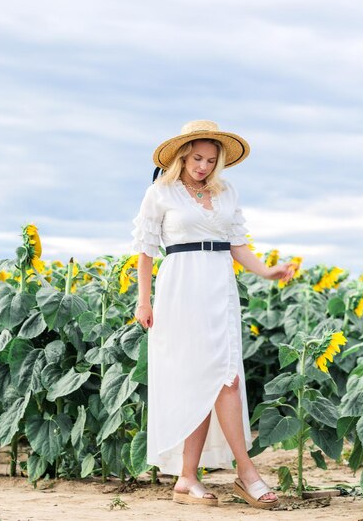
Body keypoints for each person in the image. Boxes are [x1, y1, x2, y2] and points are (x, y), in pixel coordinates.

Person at [131, 120, 295, 509]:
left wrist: (266, 271)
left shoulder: (226, 193)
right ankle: (189, 478)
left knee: (227, 378)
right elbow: (145, 251)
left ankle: (243, 472)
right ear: (183, 156)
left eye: (210, 159)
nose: (203, 166)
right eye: (197, 158)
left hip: (218, 288)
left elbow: (238, 245)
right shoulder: (161, 192)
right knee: (194, 382)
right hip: (179, 287)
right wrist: (144, 300)